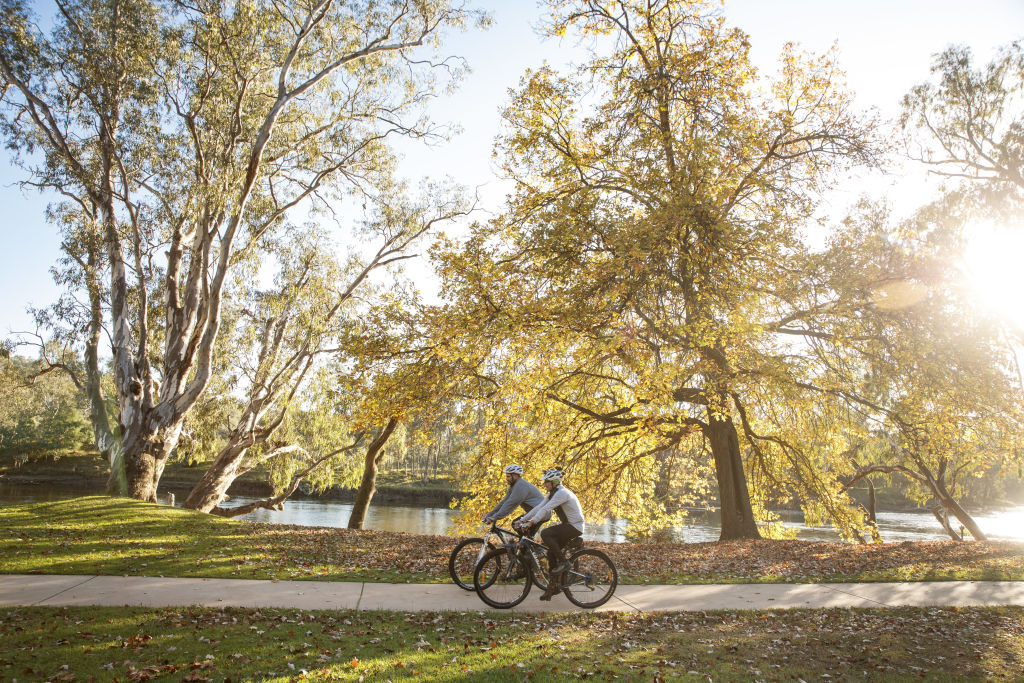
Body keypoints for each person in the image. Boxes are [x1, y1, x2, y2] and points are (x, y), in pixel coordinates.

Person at [514, 468, 585, 601]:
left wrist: (531, 523)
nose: (544, 484)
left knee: (545, 533)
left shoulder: (562, 493)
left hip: (574, 526)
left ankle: (564, 562)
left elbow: (546, 509)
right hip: (569, 526)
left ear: (554, 482)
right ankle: (554, 587)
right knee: (551, 554)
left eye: (547, 482)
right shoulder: (553, 493)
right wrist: (523, 520)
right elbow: (538, 508)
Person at [482, 464, 545, 533]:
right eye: (506, 476)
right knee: (518, 527)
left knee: (516, 525)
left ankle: (526, 543)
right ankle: (525, 542)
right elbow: (504, 502)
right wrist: (490, 514)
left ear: (515, 475)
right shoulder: (513, 486)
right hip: (535, 513)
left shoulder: (521, 486)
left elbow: (510, 505)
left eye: (508, 476)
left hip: (541, 514)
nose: (506, 478)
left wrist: (494, 517)